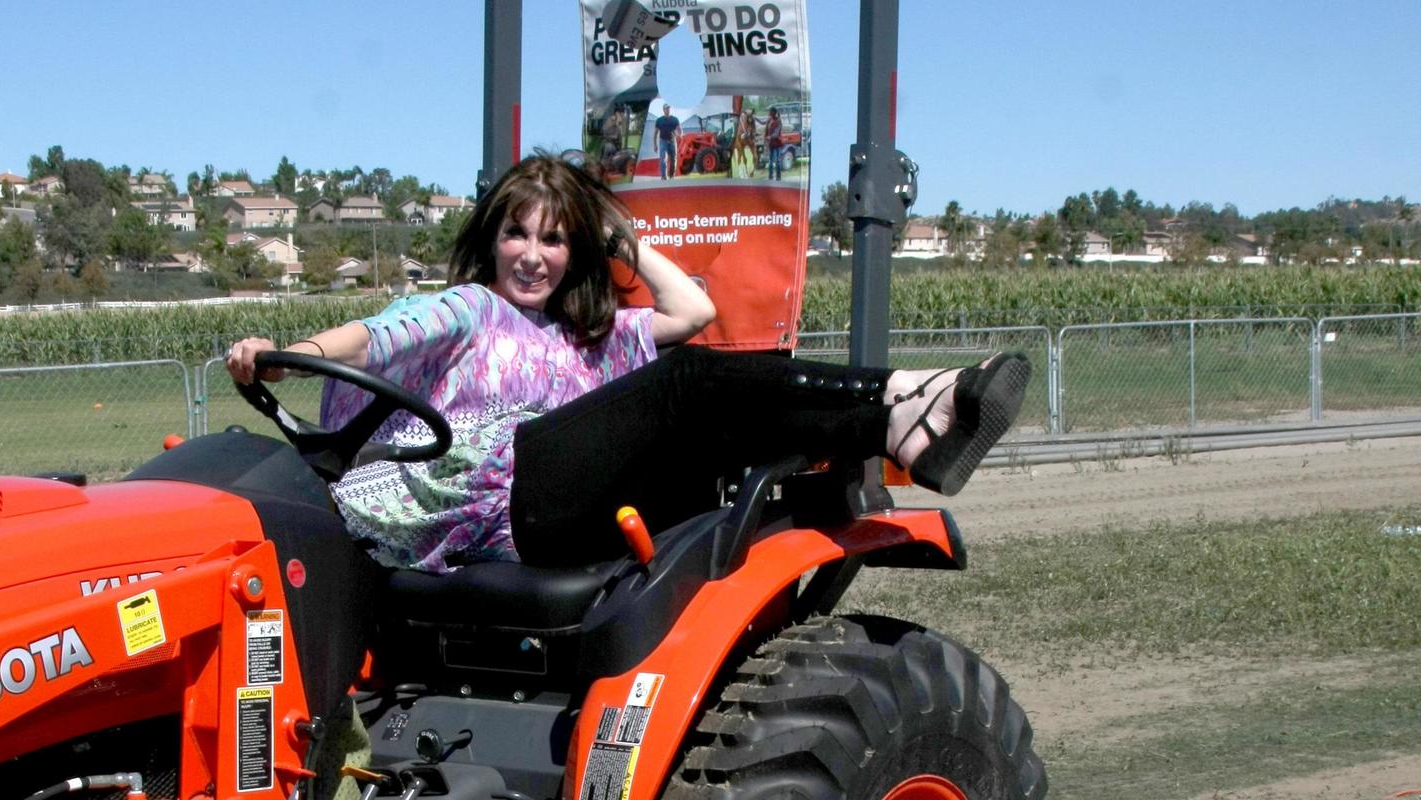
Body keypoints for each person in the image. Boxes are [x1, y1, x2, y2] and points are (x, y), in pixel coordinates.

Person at [227, 153, 1027, 573]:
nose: (532, 257)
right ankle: (903, 404)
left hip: (555, 506)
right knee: (683, 386)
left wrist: (620, 238)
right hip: (484, 501)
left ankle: (900, 419)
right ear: (490, 239)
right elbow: (371, 339)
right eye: (517, 235)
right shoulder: (469, 308)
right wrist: (292, 359)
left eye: (552, 238)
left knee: (696, 384)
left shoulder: (587, 336)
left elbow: (693, 314)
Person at [653, 102, 680, 180]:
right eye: (666, 108)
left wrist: (679, 135)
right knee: (663, 158)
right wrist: (655, 145)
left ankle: (671, 176)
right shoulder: (659, 120)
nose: (667, 110)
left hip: (672, 141)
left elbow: (679, 129)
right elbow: (655, 133)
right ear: (663, 110)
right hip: (663, 141)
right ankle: (663, 177)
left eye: (668, 108)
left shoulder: (675, 119)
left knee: (673, 158)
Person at [730, 106, 757, 179]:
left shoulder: (748, 119)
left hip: (746, 136)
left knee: (745, 157)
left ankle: (748, 171)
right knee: (741, 155)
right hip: (740, 137)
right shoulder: (740, 117)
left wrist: (752, 133)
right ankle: (741, 172)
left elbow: (750, 126)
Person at [764, 105, 784, 181]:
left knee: (778, 160)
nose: (769, 113)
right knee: (770, 160)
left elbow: (776, 133)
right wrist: (755, 118)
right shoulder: (769, 120)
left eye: (770, 111)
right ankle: (770, 176)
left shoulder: (779, 121)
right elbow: (763, 123)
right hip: (771, 144)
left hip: (777, 143)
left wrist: (770, 137)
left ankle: (778, 177)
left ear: (773, 112)